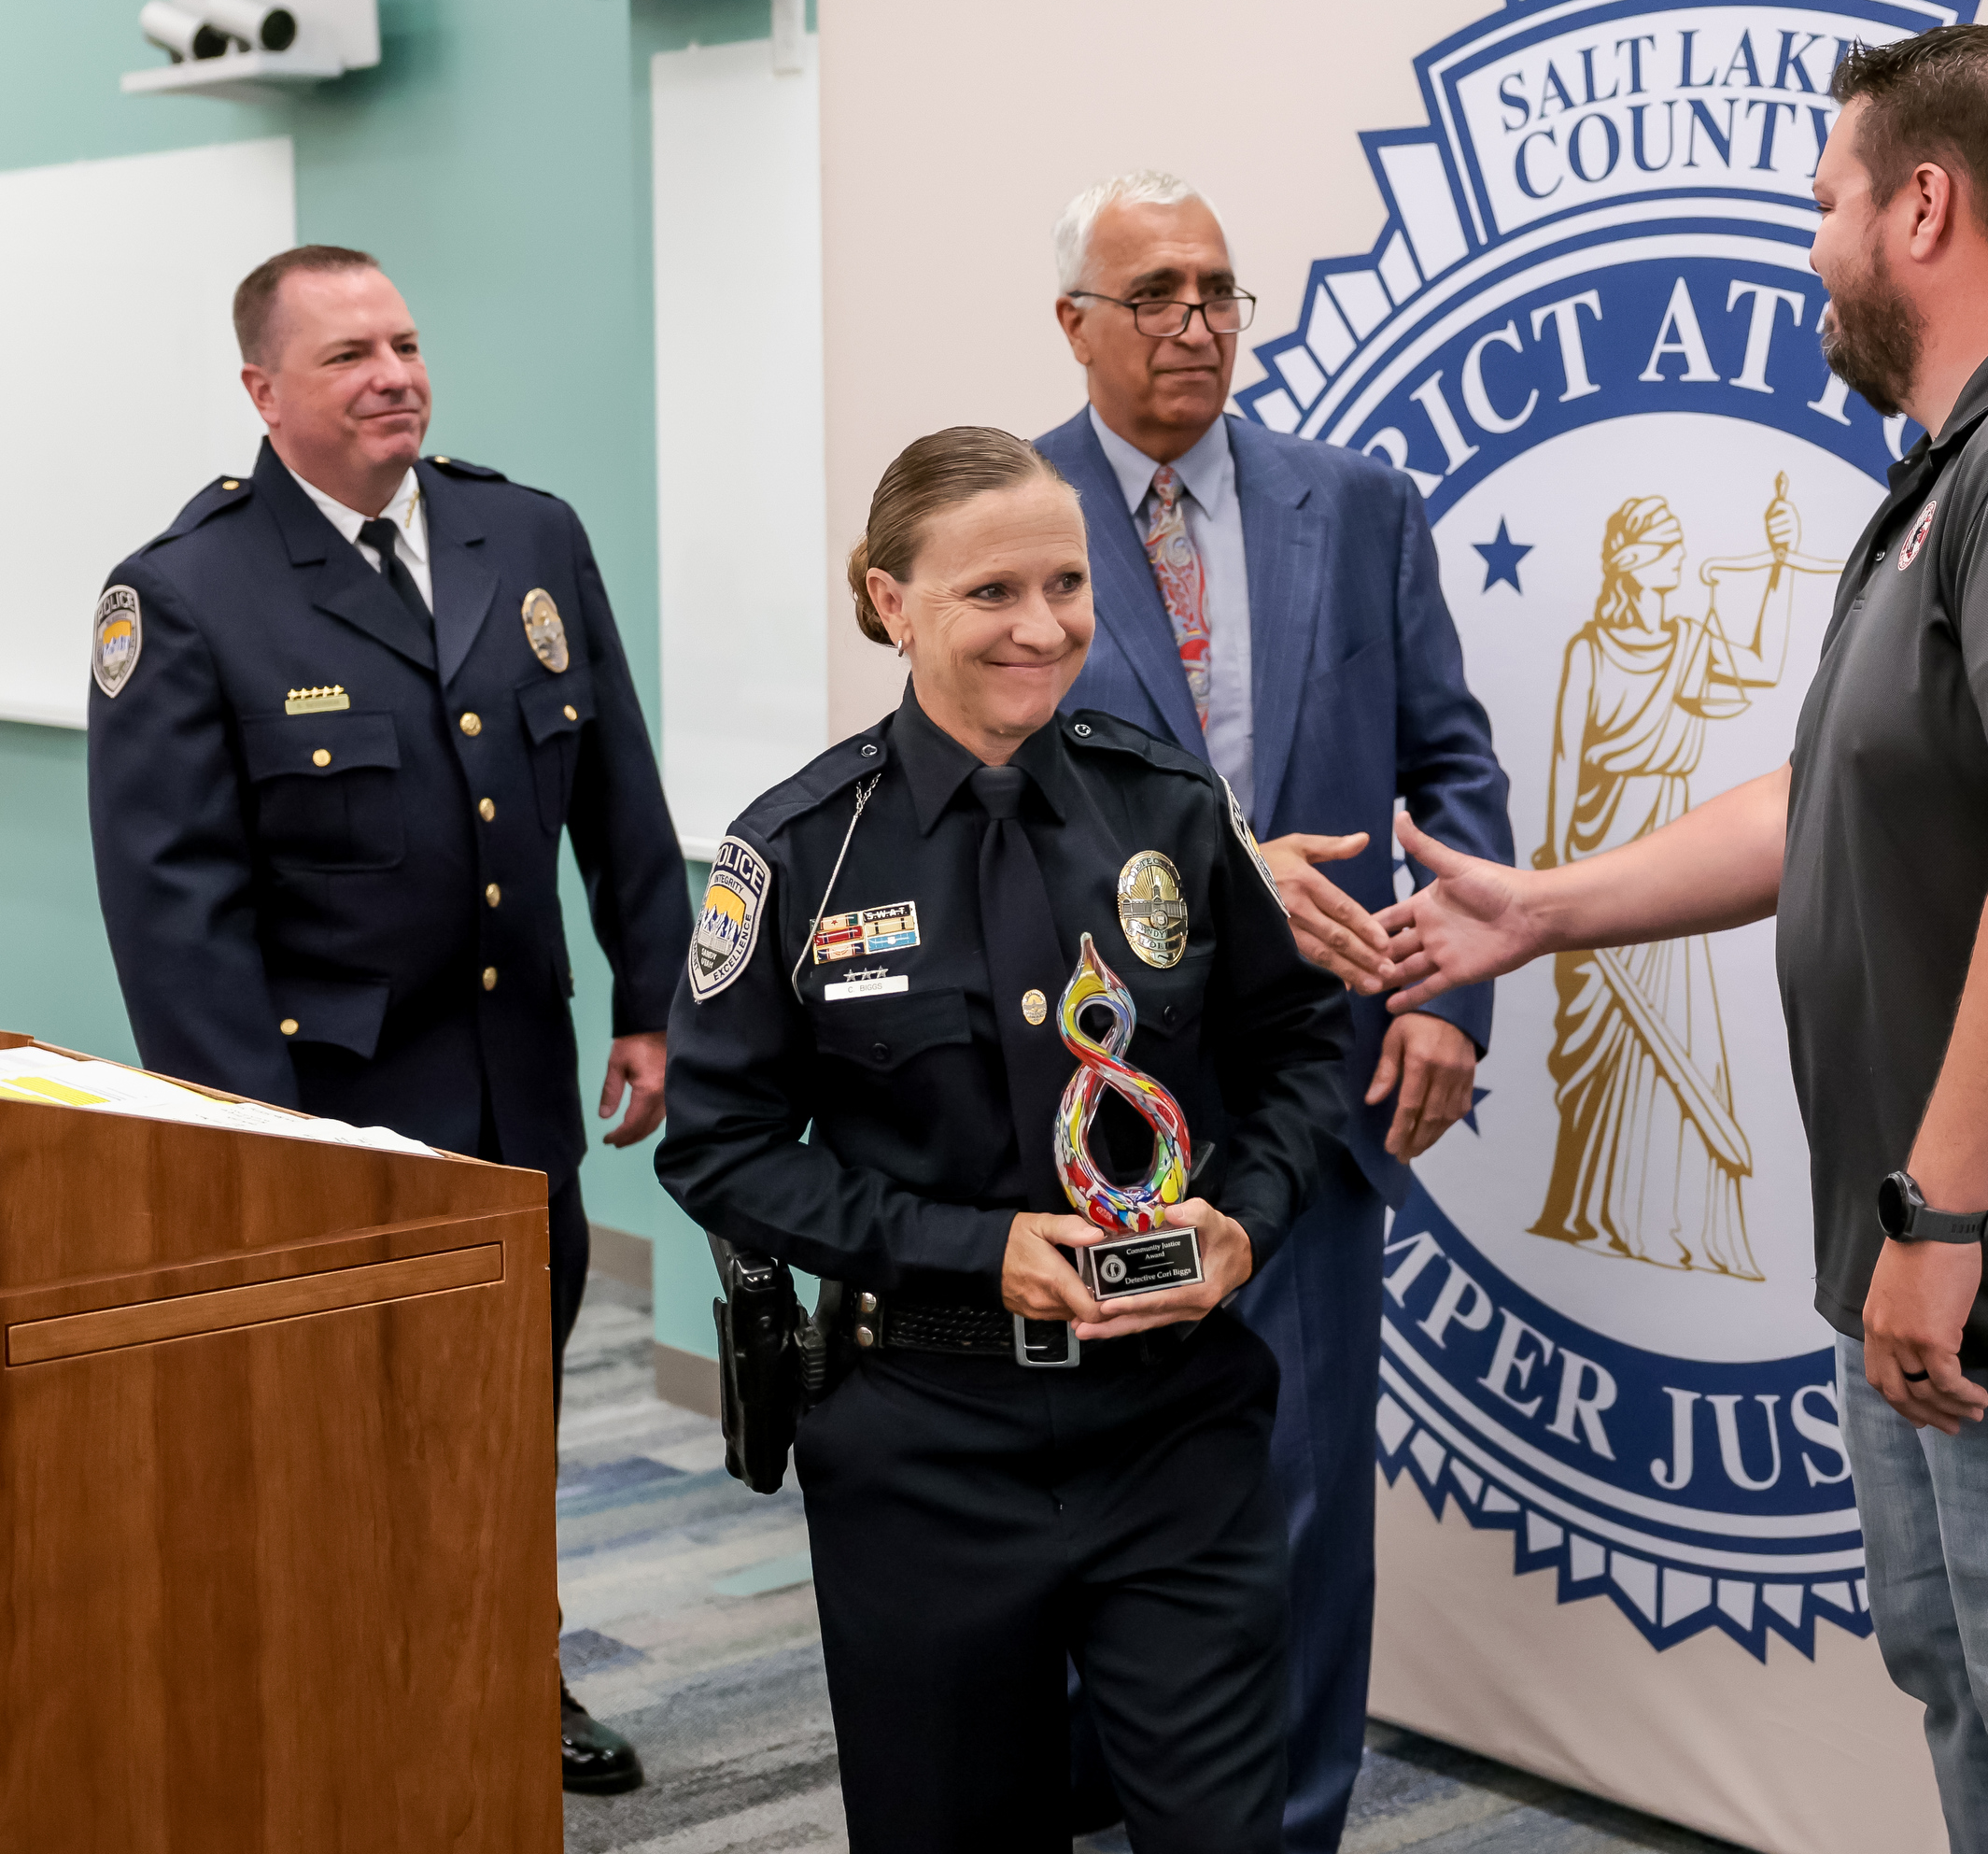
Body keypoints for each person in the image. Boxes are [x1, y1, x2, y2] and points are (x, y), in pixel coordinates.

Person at [1371, 26, 1988, 1852]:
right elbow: (1821, 800)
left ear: (1924, 207)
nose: (1814, 249)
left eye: (1827, 205)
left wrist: (1940, 1211)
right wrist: (1540, 909)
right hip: (1965, 1303)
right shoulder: (1983, 462)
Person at [655, 427, 1350, 1852]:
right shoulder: (799, 852)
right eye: (990, 595)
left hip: (1174, 1424)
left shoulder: (1165, 806)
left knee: (1226, 1832)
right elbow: (719, 1146)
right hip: (926, 1438)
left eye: (1068, 584)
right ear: (891, 599)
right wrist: (978, 1252)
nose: (1044, 630)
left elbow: (1298, 1049)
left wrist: (1246, 1220)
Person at [84, 243, 687, 1795]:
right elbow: (175, 911)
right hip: (338, 1102)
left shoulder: (524, 532)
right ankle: (350, 1682)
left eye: (406, 341)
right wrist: (265, 1147)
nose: (394, 374)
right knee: (344, 1426)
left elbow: (618, 786)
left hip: (520, 1083)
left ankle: (511, 1660)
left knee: (511, 1398)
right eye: (349, 354)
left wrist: (651, 996)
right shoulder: (186, 594)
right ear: (263, 391)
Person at [1036, 169, 1514, 1852]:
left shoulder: (1356, 505)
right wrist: (1225, 862)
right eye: (1154, 293)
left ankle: (1293, 1823)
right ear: (1077, 326)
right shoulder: (1007, 519)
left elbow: (1451, 766)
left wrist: (1453, 990)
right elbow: (986, 791)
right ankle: (1110, 1804)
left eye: (1220, 289)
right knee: (1098, 1486)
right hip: (1089, 1095)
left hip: (1318, 1088)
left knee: (1305, 1499)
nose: (1196, 324)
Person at [1529, 483, 1840, 1278]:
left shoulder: (1690, 639)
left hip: (1672, 860)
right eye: (1664, 549)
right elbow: (1567, 767)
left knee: (1678, 1034)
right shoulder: (1589, 652)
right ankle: (1595, 1209)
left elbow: (1765, 665)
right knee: (1599, 1050)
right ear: (1631, 563)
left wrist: (1774, 569)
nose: (1677, 561)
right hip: (1596, 855)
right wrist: (1558, 883)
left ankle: (1665, 1219)